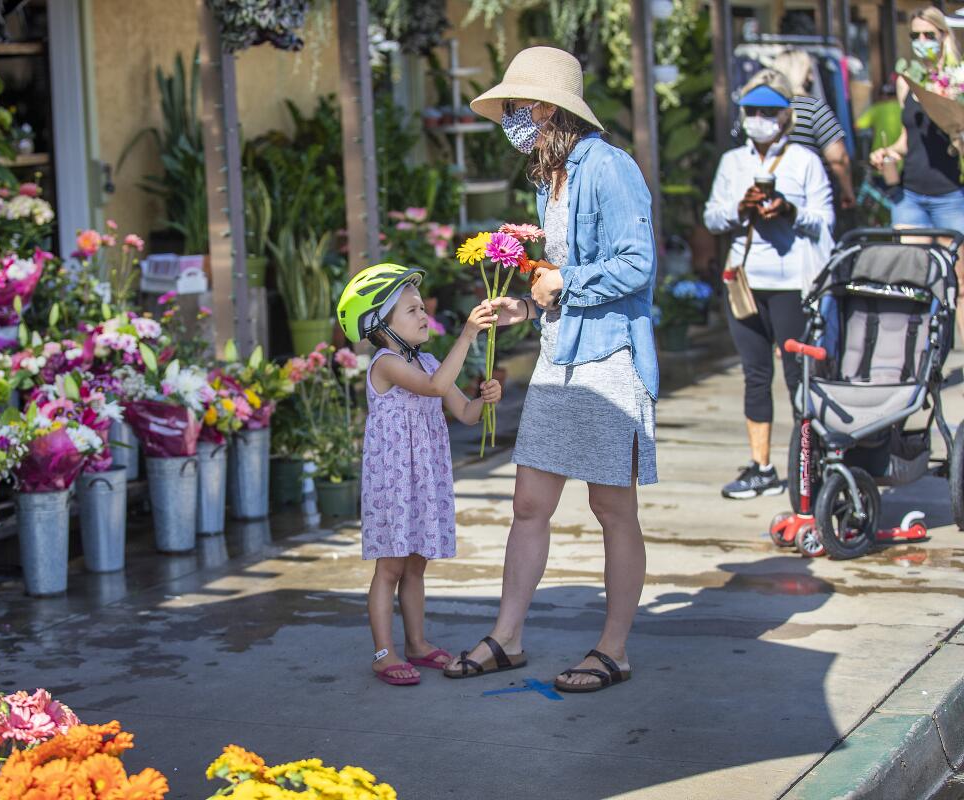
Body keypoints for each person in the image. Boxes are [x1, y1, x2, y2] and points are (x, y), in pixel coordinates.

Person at [443, 46, 658, 693]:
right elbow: (561, 284)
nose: (512, 120)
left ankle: (613, 650)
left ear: (550, 109)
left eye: (519, 108)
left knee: (612, 507)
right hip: (560, 353)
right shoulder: (550, 179)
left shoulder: (609, 168)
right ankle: (507, 637)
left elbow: (637, 264)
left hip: (609, 358)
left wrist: (566, 280)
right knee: (530, 502)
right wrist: (525, 303)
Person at [336, 263, 502, 686]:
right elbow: (432, 388)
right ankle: (383, 652)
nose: (424, 314)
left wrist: (485, 399)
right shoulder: (386, 364)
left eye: (422, 307)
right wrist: (467, 335)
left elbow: (463, 413)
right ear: (380, 325)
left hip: (422, 481)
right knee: (389, 567)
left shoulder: (428, 360)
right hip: (394, 482)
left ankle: (417, 643)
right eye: (411, 310)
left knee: (415, 566)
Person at [703, 69, 834, 499]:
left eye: (769, 111)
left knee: (799, 375)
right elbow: (712, 216)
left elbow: (825, 218)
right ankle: (761, 466)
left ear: (785, 117)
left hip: (793, 282)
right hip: (745, 279)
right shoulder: (732, 161)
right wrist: (741, 209)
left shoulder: (804, 161)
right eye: (752, 110)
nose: (760, 118)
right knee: (755, 375)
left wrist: (790, 210)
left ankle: (809, 463)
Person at [869, 6, 964, 341]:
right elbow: (909, 138)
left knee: (960, 281)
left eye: (929, 35)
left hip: (951, 193)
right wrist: (889, 152)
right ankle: (921, 358)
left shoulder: (959, 78)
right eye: (915, 36)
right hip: (911, 195)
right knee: (913, 281)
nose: (922, 42)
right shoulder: (907, 82)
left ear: (943, 36)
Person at [771, 48, 857, 212]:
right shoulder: (813, 108)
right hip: (810, 194)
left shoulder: (764, 111)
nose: (811, 77)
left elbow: (737, 136)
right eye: (809, 72)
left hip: (771, 190)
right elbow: (838, 157)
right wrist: (847, 190)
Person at [855, 81, 903, 155]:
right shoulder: (902, 108)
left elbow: (857, 126)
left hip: (880, 152)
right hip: (901, 152)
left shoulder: (876, 109)